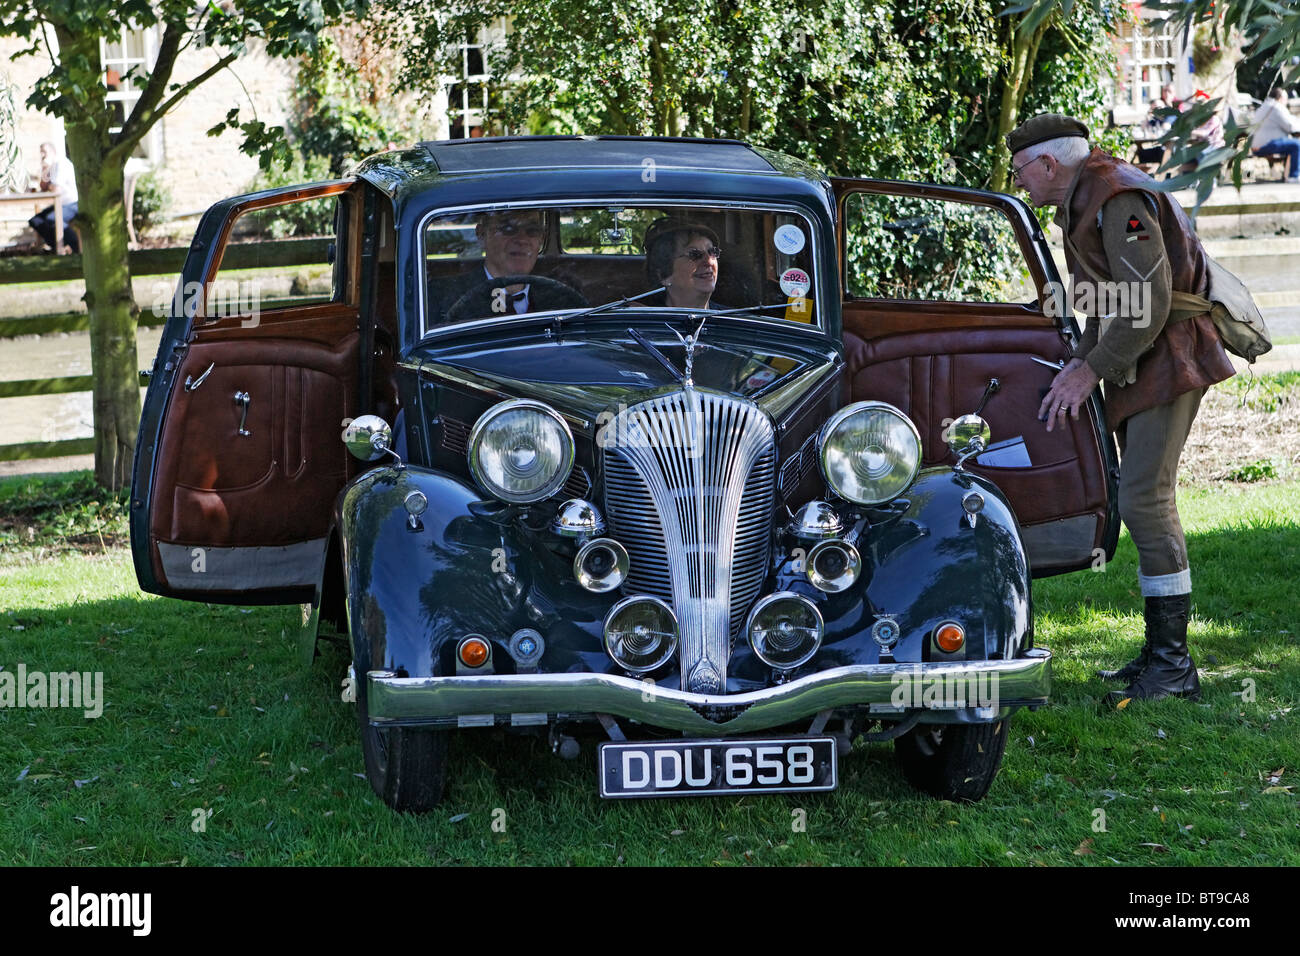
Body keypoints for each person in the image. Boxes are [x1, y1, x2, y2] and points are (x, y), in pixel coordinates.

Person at [1007, 113, 1237, 707]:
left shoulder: (1116, 196)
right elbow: (1103, 301)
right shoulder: (1090, 192)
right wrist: (1075, 358)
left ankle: (1173, 664)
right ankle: (1161, 656)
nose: (1019, 182)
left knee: (1144, 498)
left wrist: (1088, 370)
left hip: (1171, 356)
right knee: (1138, 495)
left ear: (1050, 164)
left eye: (1021, 170)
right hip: (1145, 357)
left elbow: (1146, 306)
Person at [642, 218, 723, 309]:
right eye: (694, 254)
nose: (708, 261)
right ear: (664, 275)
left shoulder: (733, 319)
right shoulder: (644, 320)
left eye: (712, 251)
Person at [29, 141, 80, 254]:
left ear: (53, 152)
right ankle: (56, 247)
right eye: (41, 152)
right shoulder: (51, 166)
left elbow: (56, 189)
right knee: (35, 220)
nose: (42, 155)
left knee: (52, 219)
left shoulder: (61, 164)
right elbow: (43, 187)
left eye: (44, 152)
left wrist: (50, 185)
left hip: (72, 204)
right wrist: (44, 169)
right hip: (60, 204)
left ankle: (75, 246)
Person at [1249, 88, 1300, 182]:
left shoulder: (1265, 106)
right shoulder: (1276, 107)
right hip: (1266, 145)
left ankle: (1289, 175)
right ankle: (1294, 176)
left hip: (1256, 146)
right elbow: (1291, 126)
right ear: (1280, 98)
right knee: (1297, 145)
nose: (1286, 102)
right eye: (1286, 99)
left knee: (1293, 144)